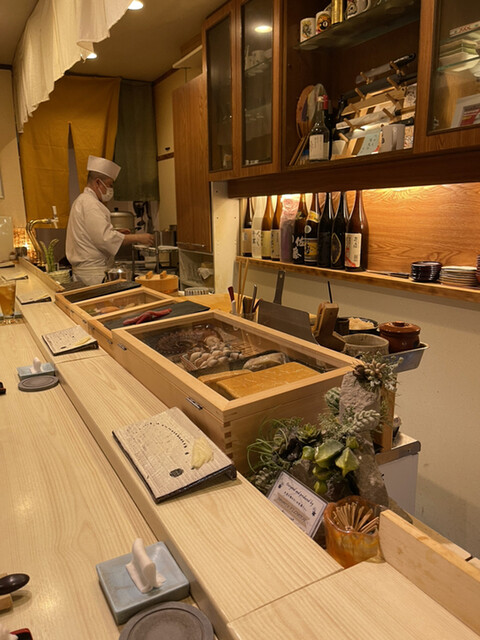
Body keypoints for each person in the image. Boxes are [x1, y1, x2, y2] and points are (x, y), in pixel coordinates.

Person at [66, 155, 154, 285]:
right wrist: (138, 237)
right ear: (97, 182)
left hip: (87, 274)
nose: (110, 190)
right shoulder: (91, 204)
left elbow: (92, 235)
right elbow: (105, 239)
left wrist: (117, 233)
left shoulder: (82, 201)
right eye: (109, 185)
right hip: (94, 275)